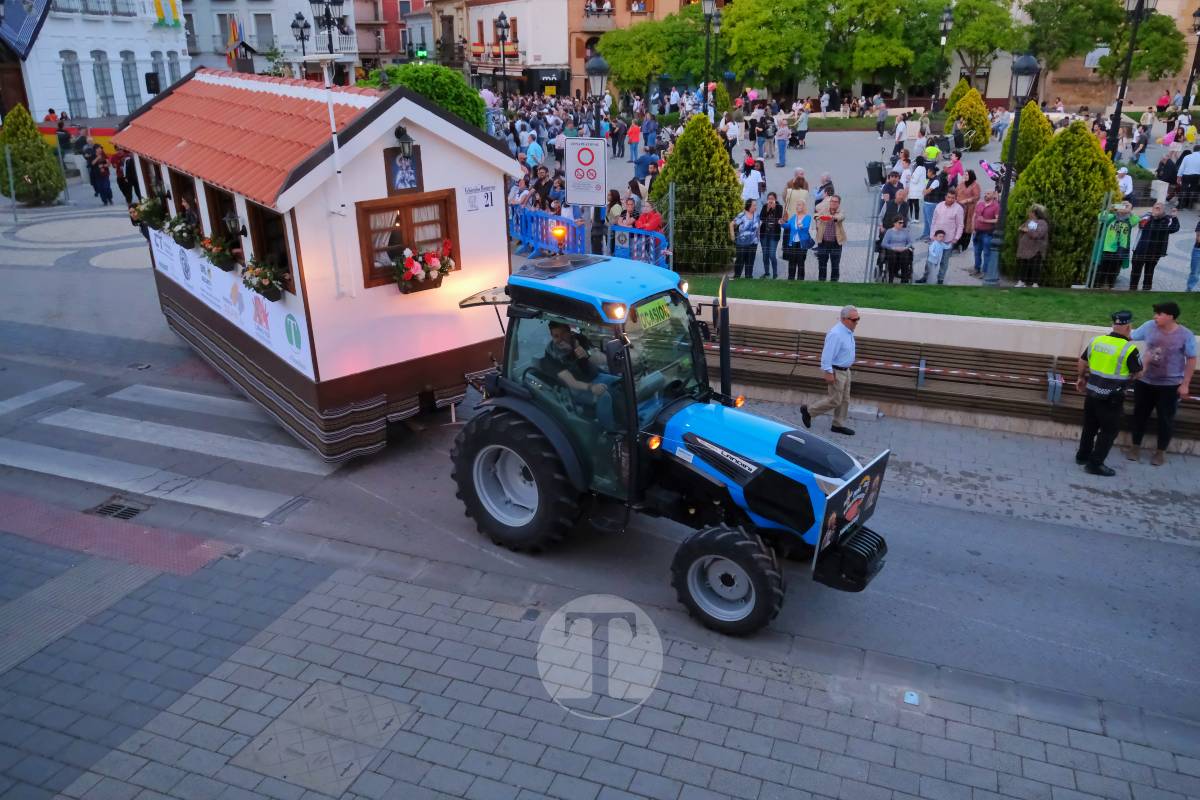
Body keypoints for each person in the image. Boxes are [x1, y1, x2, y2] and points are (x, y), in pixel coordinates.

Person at [1126, 301, 1197, 465]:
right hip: (1144, 381)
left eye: (1159, 314)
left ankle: (1160, 452)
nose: (1155, 317)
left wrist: (1185, 384)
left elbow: (1192, 359)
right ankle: (1135, 447)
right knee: (1139, 415)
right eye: (1155, 313)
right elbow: (1130, 337)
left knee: (1165, 419)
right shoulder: (1149, 326)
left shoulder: (1185, 335)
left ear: (1171, 316)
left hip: (1170, 385)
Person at [1074, 310, 1142, 477]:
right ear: (1129, 327)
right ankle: (1095, 464)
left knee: (1089, 426)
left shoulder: (1096, 341)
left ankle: (1082, 456)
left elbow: (1082, 362)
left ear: (1114, 325)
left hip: (1092, 393)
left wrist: (1081, 378)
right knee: (1109, 431)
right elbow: (1138, 373)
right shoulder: (1129, 349)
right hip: (1111, 398)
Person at [545, 321, 620, 431]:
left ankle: (625, 419)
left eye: (563, 334)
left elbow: (602, 360)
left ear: (569, 332)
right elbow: (571, 383)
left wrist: (587, 354)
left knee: (621, 382)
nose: (560, 339)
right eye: (556, 336)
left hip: (596, 376)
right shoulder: (552, 354)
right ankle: (609, 433)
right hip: (575, 390)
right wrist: (592, 387)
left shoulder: (579, 339)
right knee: (604, 397)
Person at [800, 306, 861, 436]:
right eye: (854, 319)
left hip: (846, 371)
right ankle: (809, 411)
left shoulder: (848, 331)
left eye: (858, 319)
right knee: (835, 400)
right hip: (836, 371)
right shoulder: (836, 334)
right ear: (844, 319)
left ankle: (837, 425)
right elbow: (826, 356)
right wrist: (828, 372)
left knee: (845, 400)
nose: (856, 322)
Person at [1130, 202, 1180, 291]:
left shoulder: (1167, 220)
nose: (1156, 209)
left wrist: (1174, 217)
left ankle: (1146, 290)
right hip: (1140, 249)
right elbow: (1135, 222)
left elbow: (1174, 228)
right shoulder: (1147, 217)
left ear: (1163, 210)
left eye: (1159, 208)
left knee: (1149, 272)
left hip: (1155, 252)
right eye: (1155, 208)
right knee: (1135, 272)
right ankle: (1132, 289)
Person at [918, 188, 963, 284]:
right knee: (930, 259)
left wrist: (956, 238)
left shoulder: (958, 209)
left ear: (955, 199)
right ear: (945, 197)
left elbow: (960, 225)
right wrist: (931, 235)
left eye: (953, 198)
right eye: (949, 197)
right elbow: (933, 221)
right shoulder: (939, 206)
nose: (950, 199)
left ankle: (940, 279)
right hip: (935, 239)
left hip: (948, 240)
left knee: (944, 261)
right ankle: (925, 277)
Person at [1096, 202, 1134, 289]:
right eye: (1121, 206)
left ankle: (1110, 286)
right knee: (1103, 268)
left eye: (1125, 206)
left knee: (1114, 270)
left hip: (1120, 249)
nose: (1123, 208)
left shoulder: (1129, 220)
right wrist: (1111, 208)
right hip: (1108, 248)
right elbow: (1100, 216)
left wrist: (1129, 210)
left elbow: (1136, 219)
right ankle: (1099, 285)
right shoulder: (1111, 217)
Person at [812, 194, 846, 281]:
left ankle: (834, 284)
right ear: (829, 202)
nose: (833, 203)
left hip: (836, 243)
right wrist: (819, 217)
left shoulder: (841, 211)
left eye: (836, 202)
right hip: (823, 242)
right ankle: (822, 283)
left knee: (835, 265)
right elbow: (815, 214)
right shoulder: (824, 210)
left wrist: (832, 217)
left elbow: (840, 217)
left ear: (839, 203)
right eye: (832, 201)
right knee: (822, 265)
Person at [1015, 205, 1050, 287]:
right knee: (1024, 265)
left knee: (1035, 266)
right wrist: (1022, 229)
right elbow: (1022, 228)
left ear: (1035, 213)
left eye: (1031, 212)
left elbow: (1037, 234)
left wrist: (1027, 230)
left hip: (1036, 249)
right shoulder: (1030, 221)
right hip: (1026, 248)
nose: (1029, 213)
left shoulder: (1042, 223)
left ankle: (1035, 283)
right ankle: (1021, 281)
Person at [781, 201, 813, 280]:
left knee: (801, 262)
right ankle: (790, 278)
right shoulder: (794, 217)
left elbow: (806, 228)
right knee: (791, 261)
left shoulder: (807, 217)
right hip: (793, 242)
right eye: (797, 205)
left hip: (802, 243)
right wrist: (782, 223)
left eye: (799, 205)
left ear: (803, 207)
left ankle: (800, 280)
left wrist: (801, 226)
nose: (797, 206)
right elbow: (787, 225)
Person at [972, 189, 1000, 278]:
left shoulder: (996, 206)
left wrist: (986, 220)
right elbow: (974, 216)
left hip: (987, 233)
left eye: (988, 193)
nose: (986, 195)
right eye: (985, 193)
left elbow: (997, 219)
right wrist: (973, 228)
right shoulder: (980, 204)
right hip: (977, 232)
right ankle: (976, 269)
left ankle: (985, 272)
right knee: (977, 252)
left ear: (993, 195)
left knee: (986, 253)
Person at [730, 199, 760, 279]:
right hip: (742, 242)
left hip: (753, 242)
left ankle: (749, 277)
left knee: (750, 261)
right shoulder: (742, 215)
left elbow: (757, 226)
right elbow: (732, 224)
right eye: (754, 205)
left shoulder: (756, 215)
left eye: (755, 205)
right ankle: (737, 277)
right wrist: (732, 236)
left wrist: (758, 237)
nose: (755, 207)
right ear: (749, 206)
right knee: (740, 261)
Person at [881, 216, 914, 283]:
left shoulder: (905, 231)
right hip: (892, 249)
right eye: (900, 223)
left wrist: (905, 247)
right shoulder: (889, 232)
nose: (902, 224)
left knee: (905, 255)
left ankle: (904, 279)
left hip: (903, 249)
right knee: (892, 256)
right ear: (894, 223)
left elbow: (910, 242)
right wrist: (893, 248)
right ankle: (891, 277)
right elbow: (884, 243)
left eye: (902, 223)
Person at [759, 192, 784, 279]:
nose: (770, 200)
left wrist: (774, 208)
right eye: (769, 198)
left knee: (772, 254)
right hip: (764, 234)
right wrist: (767, 210)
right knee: (765, 254)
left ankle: (775, 273)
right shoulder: (764, 207)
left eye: (772, 198)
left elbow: (779, 218)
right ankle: (766, 273)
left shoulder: (779, 207)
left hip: (774, 234)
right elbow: (761, 218)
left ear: (775, 199)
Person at [955, 169, 980, 253]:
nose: (965, 176)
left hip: (969, 209)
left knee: (966, 228)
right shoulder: (961, 184)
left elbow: (977, 197)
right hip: (959, 208)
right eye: (964, 175)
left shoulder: (975, 185)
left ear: (971, 176)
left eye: (967, 175)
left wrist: (967, 200)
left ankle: (964, 245)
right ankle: (956, 244)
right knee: (958, 225)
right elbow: (956, 193)